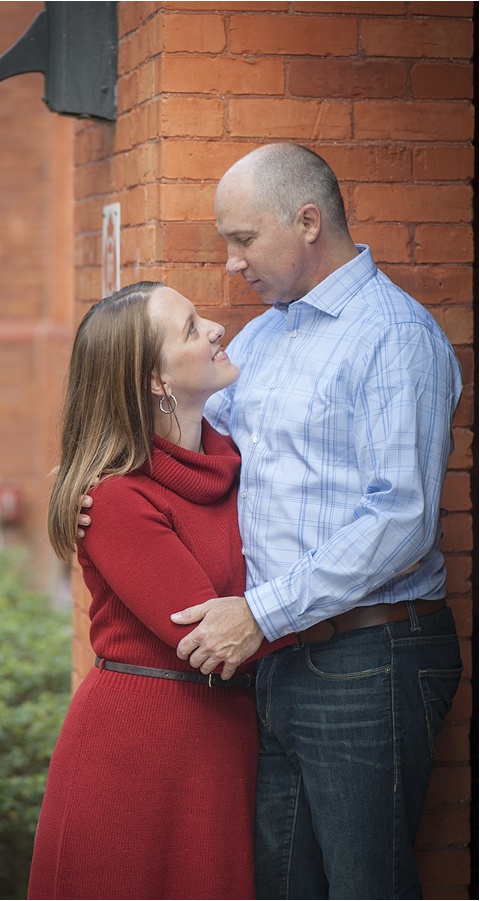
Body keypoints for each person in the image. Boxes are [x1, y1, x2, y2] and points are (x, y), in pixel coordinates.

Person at [160, 143, 463, 898]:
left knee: (367, 887)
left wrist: (260, 611)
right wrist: (113, 486)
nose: (231, 262)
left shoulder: (394, 335)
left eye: (243, 239)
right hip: (275, 658)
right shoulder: (265, 335)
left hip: (369, 655)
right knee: (280, 883)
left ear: (306, 221)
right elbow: (200, 450)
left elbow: (402, 520)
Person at [28, 281, 291, 900]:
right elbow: (211, 638)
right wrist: (339, 613)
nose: (217, 329)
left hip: (216, 746)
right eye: (192, 327)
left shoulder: (236, 466)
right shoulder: (117, 499)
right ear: (155, 380)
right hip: (136, 755)